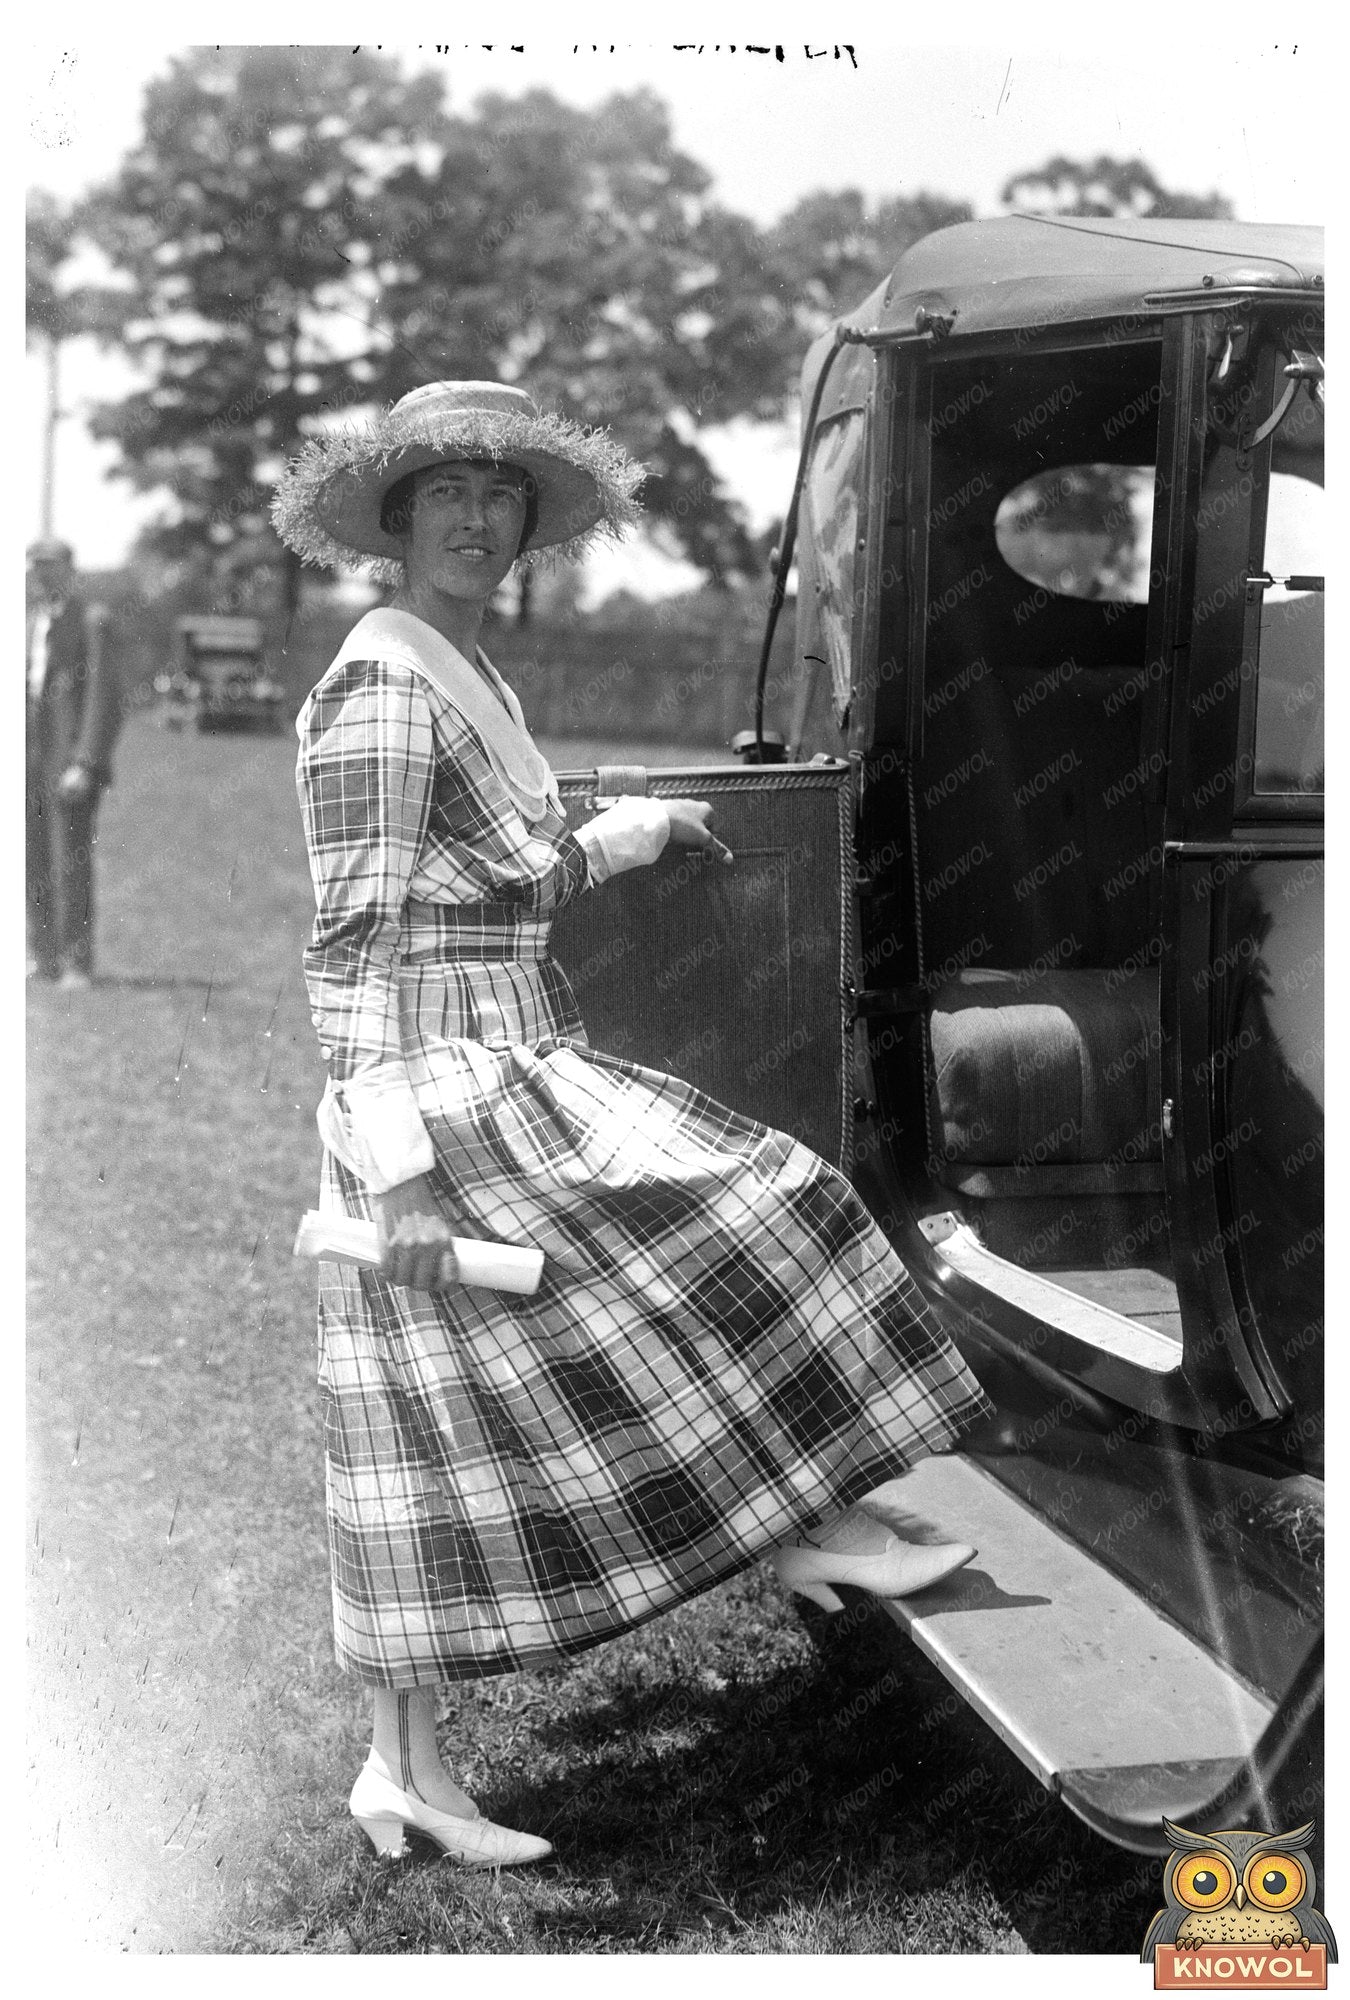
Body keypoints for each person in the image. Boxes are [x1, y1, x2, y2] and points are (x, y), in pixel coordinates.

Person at [273, 381, 994, 1870]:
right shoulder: (382, 683)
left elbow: (505, 873)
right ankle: (787, 1534)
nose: (477, 520)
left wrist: (635, 830)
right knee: (760, 1207)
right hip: (432, 1081)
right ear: (394, 521)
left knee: (454, 1414)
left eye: (501, 496)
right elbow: (352, 950)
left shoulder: (461, 666)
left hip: (504, 1043)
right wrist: (397, 1178)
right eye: (446, 494)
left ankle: (414, 1762)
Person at [25, 538, 120, 988]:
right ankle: (43, 958)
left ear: (69, 569)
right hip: (27, 760)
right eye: (35, 566)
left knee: (70, 862)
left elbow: (105, 698)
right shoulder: (29, 620)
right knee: (32, 860)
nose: (41, 574)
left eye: (50, 565)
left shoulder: (92, 620)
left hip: (68, 764)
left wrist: (85, 761)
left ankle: (77, 964)